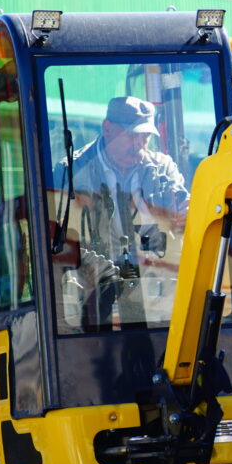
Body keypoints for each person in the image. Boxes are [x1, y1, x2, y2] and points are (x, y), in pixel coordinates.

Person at [57, 96, 190, 327]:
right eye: (132, 135)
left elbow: (183, 211)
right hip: (94, 282)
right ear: (107, 128)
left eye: (146, 136)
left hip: (152, 277)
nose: (140, 143)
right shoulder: (72, 171)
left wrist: (184, 214)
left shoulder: (163, 167)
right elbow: (62, 236)